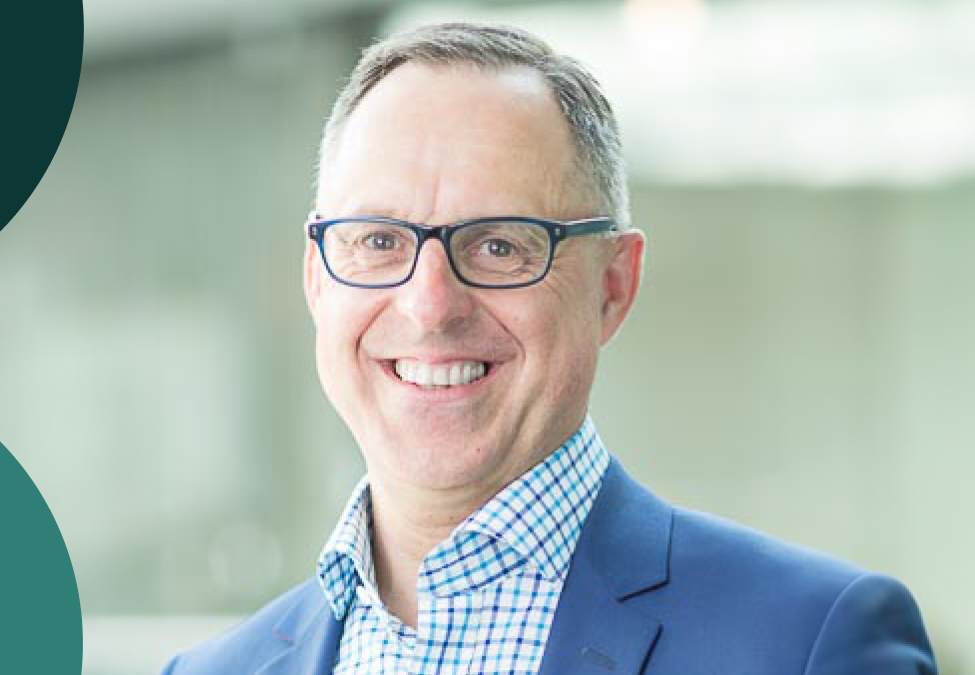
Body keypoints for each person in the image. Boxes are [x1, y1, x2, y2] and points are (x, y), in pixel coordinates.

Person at [163, 22, 936, 675]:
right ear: (317, 279)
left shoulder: (810, 643)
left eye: (500, 245)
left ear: (613, 286)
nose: (429, 304)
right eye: (377, 241)